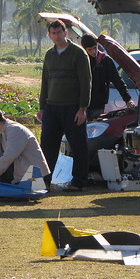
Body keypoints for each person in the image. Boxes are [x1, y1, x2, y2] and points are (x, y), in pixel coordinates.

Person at [35, 20, 92, 192]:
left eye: (59, 32)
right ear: (49, 35)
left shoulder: (78, 53)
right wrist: (42, 108)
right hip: (52, 107)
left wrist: (83, 108)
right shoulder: (49, 55)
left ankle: (78, 181)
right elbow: (45, 82)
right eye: (53, 33)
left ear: (65, 33)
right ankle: (44, 181)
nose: (57, 36)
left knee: (78, 145)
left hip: (73, 108)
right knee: (47, 146)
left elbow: (86, 82)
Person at [0, 107, 51, 188]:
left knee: (0, 159)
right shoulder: (3, 132)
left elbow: (9, 156)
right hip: (21, 169)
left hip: (32, 175)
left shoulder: (15, 130)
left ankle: (31, 186)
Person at [80, 34, 135, 120]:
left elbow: (117, 80)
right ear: (85, 49)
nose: (94, 52)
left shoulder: (105, 60)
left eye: (95, 48)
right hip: (81, 105)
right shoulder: (81, 61)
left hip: (98, 104)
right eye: (90, 50)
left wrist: (128, 99)